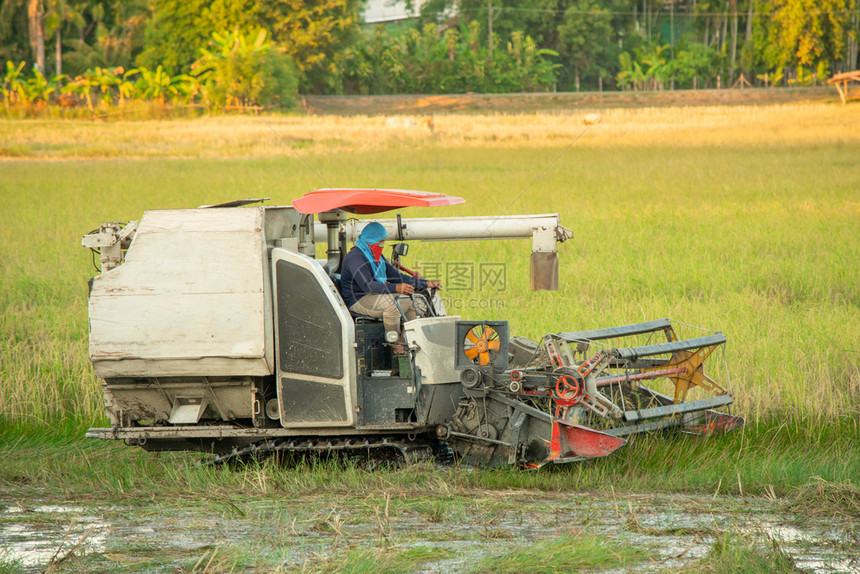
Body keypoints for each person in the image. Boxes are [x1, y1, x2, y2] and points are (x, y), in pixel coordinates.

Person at [340, 222, 442, 347]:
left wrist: (427, 283)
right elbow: (368, 286)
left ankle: (407, 342)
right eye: (380, 242)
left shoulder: (378, 258)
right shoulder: (355, 257)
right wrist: (396, 288)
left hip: (375, 295)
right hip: (358, 299)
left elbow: (397, 277)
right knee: (392, 304)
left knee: (418, 302)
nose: (382, 245)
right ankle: (394, 343)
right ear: (370, 241)